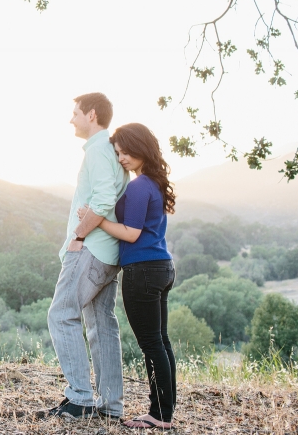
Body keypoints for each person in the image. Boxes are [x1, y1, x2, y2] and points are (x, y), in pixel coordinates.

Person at [75, 122, 177, 430]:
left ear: (140, 148)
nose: (120, 158)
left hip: (143, 270)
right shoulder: (154, 183)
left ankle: (159, 415)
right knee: (161, 342)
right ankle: (165, 411)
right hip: (162, 267)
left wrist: (97, 220)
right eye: (117, 153)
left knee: (151, 344)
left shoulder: (138, 186)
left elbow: (131, 234)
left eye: (124, 152)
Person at [46, 93, 129, 420]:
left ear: (91, 115)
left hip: (91, 249)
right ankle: (110, 407)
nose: (71, 119)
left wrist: (78, 236)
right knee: (101, 323)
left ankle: (79, 397)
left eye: (75, 113)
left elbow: (105, 199)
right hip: (109, 252)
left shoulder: (97, 151)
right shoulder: (113, 152)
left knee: (61, 314)